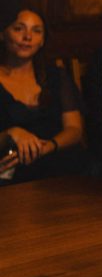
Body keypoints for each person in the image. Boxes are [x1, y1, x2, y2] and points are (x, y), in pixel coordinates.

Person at [1, 9, 88, 184]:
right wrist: (12, 133)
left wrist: (49, 146)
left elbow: (74, 129)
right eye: (19, 29)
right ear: (3, 34)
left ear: (42, 41)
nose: (28, 37)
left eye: (36, 31)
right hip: (12, 170)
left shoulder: (55, 76)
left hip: (58, 162)